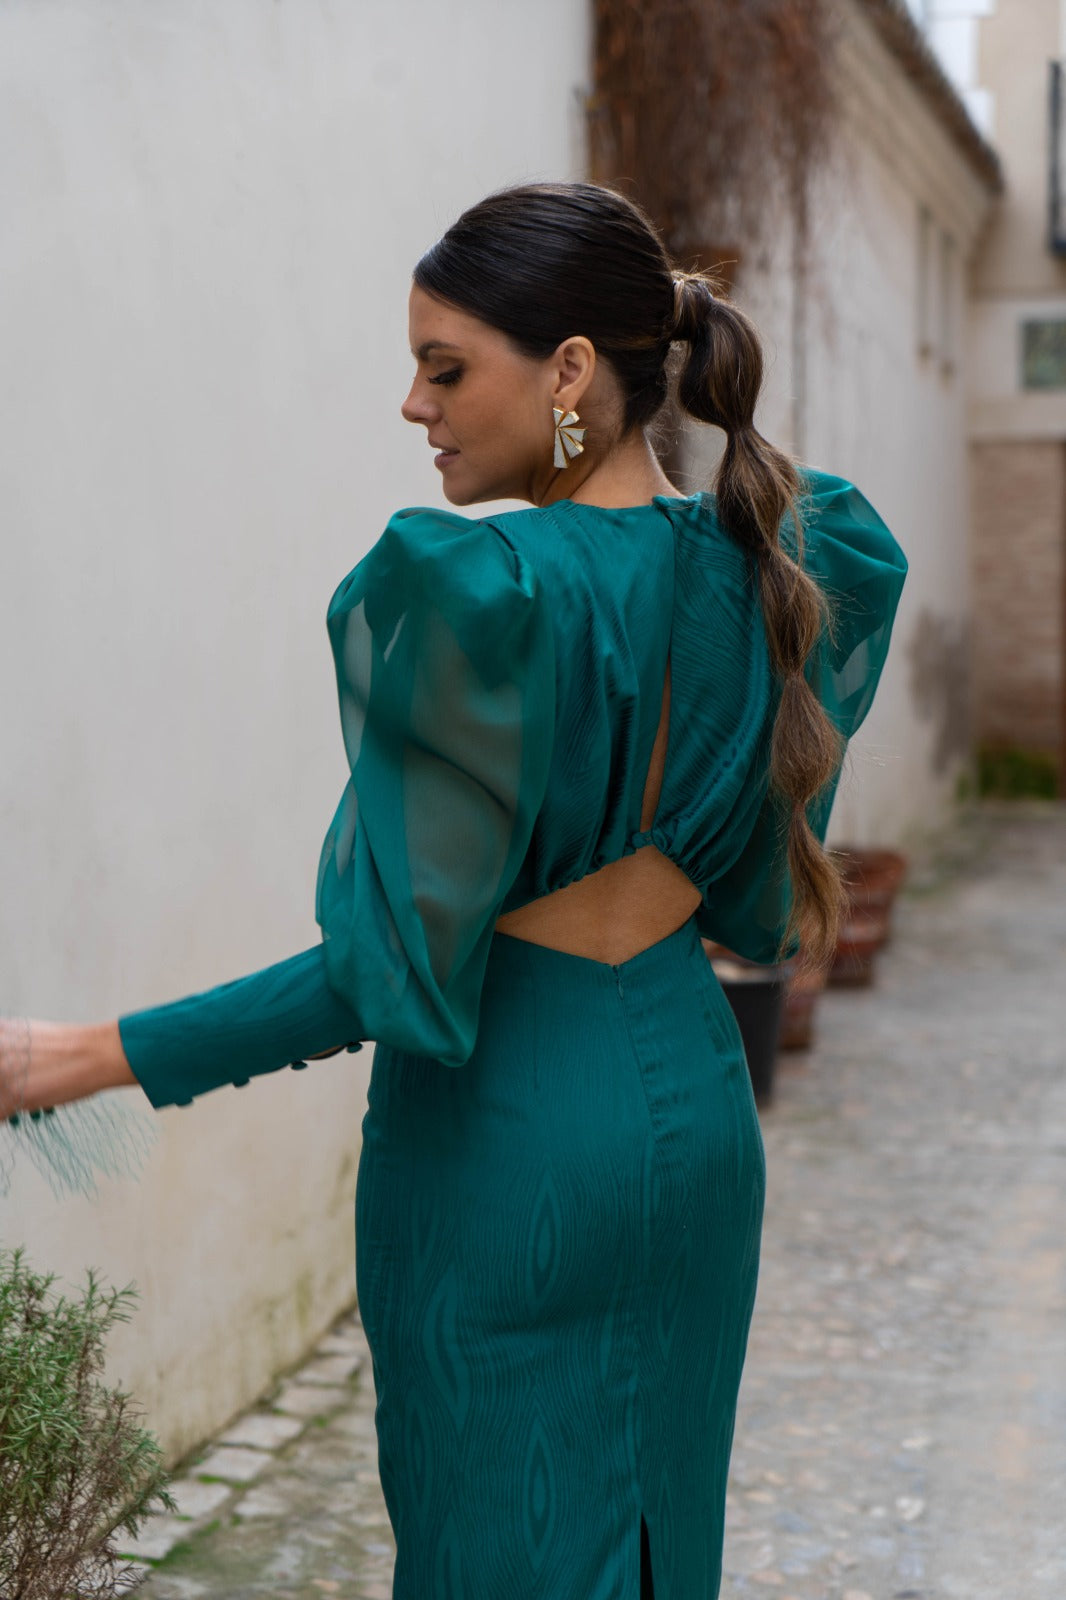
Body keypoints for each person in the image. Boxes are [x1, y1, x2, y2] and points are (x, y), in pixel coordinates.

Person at [1, 182, 907, 1599]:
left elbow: (385, 970)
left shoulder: (482, 591)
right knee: (657, 1545)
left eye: (445, 368)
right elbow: (751, 897)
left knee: (486, 1546)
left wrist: (78, 1055)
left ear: (568, 373)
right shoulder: (769, 563)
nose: (414, 406)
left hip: (504, 1142)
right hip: (692, 1123)